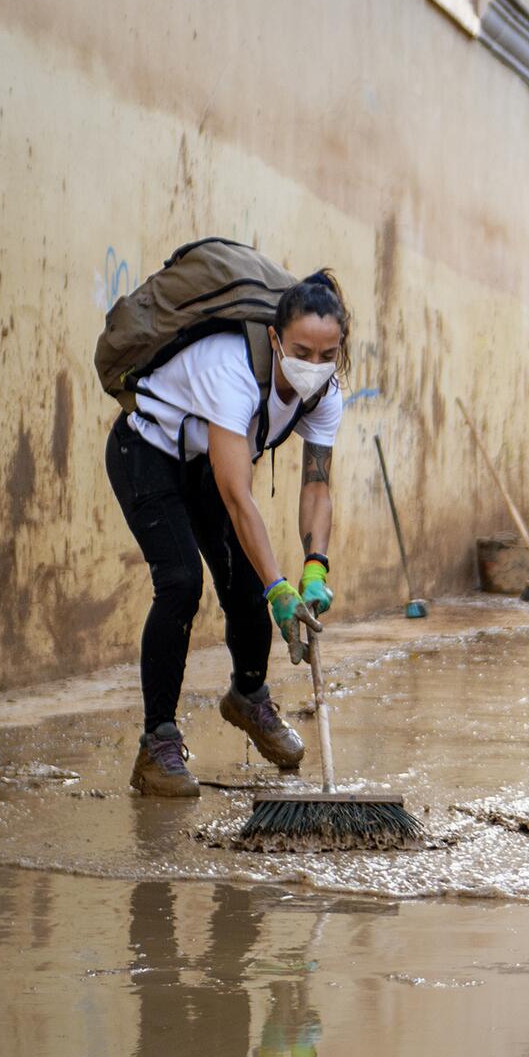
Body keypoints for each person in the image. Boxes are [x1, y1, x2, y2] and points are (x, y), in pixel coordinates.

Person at [106, 271, 347, 797]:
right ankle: (158, 744)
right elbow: (238, 496)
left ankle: (248, 698)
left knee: (242, 581)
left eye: (327, 354)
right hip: (147, 451)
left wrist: (314, 568)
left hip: (205, 462)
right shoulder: (231, 368)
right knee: (181, 582)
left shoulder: (325, 393)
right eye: (301, 350)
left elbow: (317, 486)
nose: (313, 365)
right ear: (274, 338)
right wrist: (279, 587)